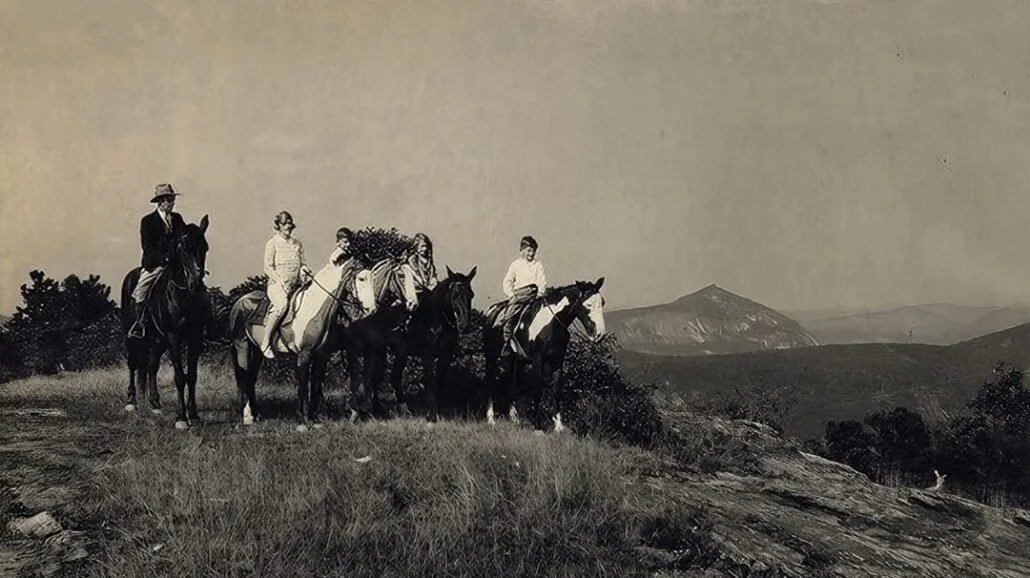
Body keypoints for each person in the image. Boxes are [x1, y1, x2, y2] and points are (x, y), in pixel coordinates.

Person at [128, 183, 187, 339]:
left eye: (172, 199)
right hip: (155, 264)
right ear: (160, 202)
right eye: (169, 200)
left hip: (176, 264)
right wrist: (164, 257)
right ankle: (139, 324)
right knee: (141, 290)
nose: (172, 203)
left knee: (195, 283)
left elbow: (184, 240)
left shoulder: (178, 219)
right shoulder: (147, 221)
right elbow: (147, 247)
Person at [260, 211, 312, 358]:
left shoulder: (297, 244)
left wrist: (305, 269)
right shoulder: (272, 243)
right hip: (277, 285)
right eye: (285, 224)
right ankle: (266, 342)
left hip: (295, 285)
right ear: (278, 226)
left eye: (289, 224)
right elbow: (267, 267)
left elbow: (302, 263)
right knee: (281, 305)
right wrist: (280, 281)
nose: (288, 227)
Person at [499, 235, 547, 355]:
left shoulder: (538, 265)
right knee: (510, 314)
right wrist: (511, 295)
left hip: (534, 294)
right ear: (522, 251)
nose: (531, 254)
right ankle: (507, 342)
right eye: (529, 251)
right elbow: (507, 281)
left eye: (533, 251)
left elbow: (542, 281)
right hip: (519, 295)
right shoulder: (516, 265)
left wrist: (540, 292)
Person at [404, 232, 439, 298]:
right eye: (421, 246)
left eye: (425, 246)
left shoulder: (429, 262)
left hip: (430, 289)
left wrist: (433, 281)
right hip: (417, 290)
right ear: (416, 247)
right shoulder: (412, 260)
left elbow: (433, 274)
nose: (424, 249)